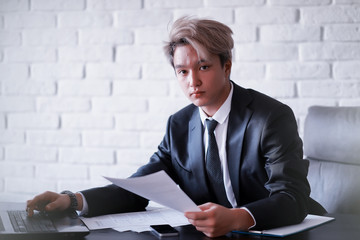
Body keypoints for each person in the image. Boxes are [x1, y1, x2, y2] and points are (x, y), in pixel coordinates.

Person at [27, 16, 325, 238]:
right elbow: (140, 188)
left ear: (227, 66)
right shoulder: (179, 125)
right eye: (182, 71)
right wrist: (72, 199)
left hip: (283, 231)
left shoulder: (270, 117)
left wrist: (236, 218)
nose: (192, 81)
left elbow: (292, 197)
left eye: (204, 67)